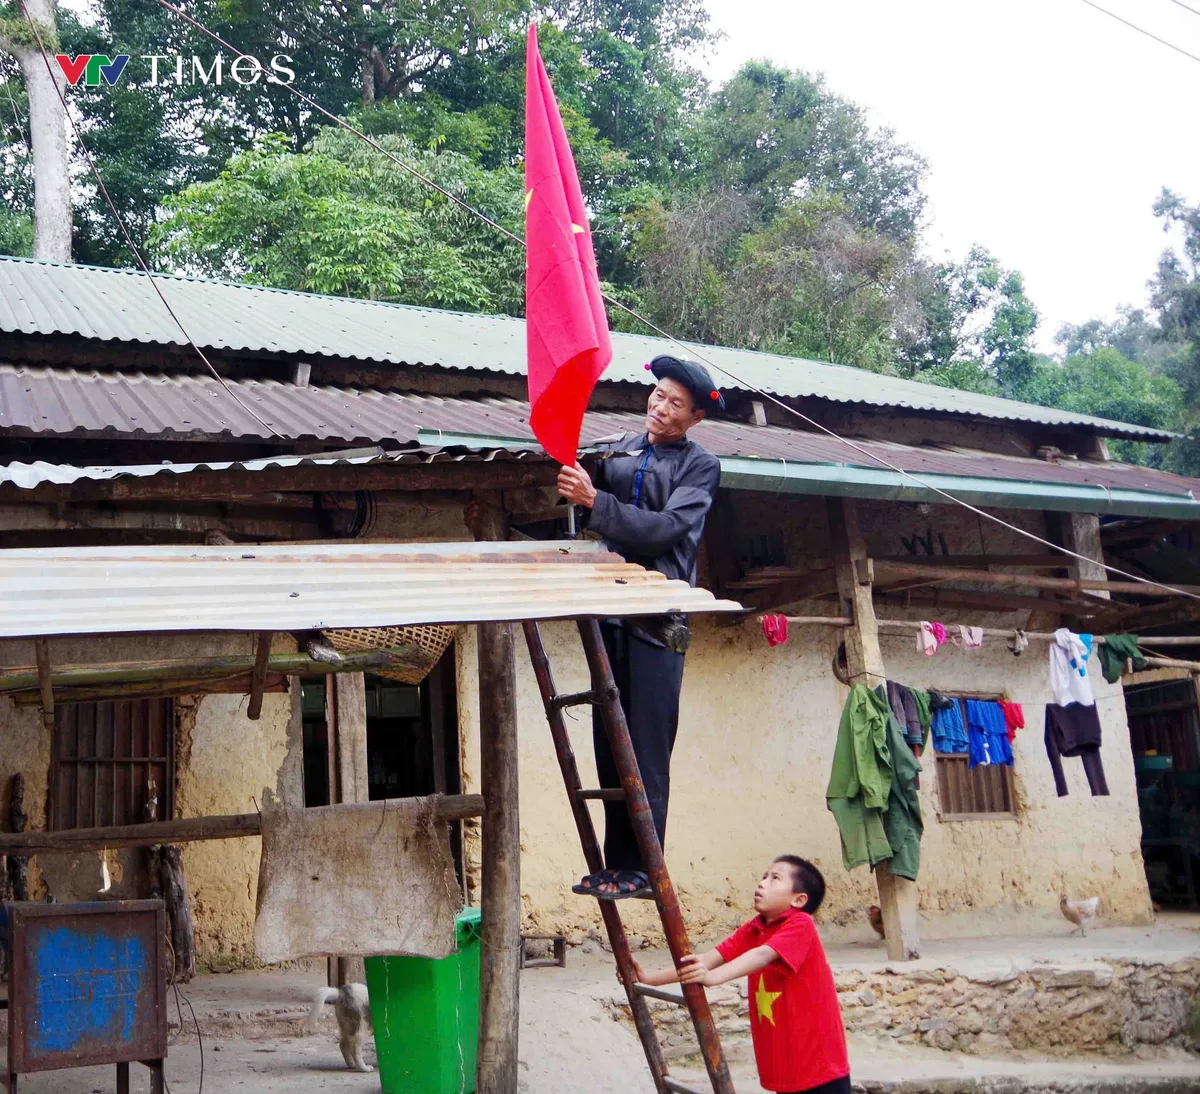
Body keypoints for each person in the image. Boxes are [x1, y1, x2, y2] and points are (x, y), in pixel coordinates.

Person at [556, 354, 723, 899]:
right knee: (610, 744)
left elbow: (665, 530)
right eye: (658, 395)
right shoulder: (620, 447)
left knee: (647, 749)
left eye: (676, 403)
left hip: (656, 620)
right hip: (608, 611)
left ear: (695, 416)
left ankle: (646, 869)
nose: (661, 407)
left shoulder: (700, 466)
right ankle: (615, 864)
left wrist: (594, 500)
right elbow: (577, 486)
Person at [630, 856, 850, 1094]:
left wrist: (713, 978)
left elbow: (763, 955)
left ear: (799, 899)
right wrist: (648, 978)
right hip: (788, 1065)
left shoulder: (801, 924)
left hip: (820, 1068)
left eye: (775, 879)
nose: (762, 883)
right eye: (764, 876)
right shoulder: (757, 927)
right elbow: (706, 960)